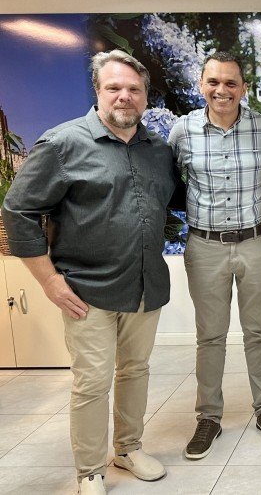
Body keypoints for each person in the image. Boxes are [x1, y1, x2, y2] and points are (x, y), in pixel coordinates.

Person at [1, 50, 176, 495]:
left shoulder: (157, 149)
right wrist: (48, 280)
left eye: (134, 89)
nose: (125, 96)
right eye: (114, 87)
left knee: (135, 370)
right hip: (86, 290)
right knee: (93, 382)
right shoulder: (62, 144)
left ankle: (128, 448)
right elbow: (18, 210)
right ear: (98, 91)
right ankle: (90, 471)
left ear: (144, 96)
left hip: (144, 284)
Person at [169, 51, 261, 459]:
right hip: (204, 246)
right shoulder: (182, 131)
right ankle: (208, 418)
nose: (222, 90)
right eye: (213, 82)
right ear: (201, 84)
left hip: (257, 243)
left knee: (259, 331)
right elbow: (167, 183)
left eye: (231, 83)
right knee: (211, 336)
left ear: (244, 87)